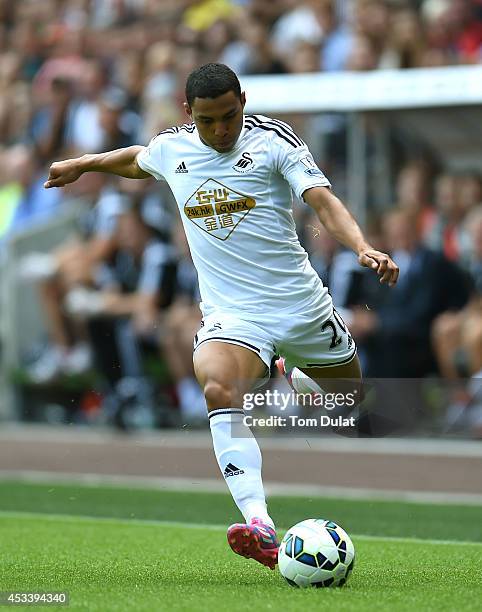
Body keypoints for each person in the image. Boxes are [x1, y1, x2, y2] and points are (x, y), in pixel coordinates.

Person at [44, 63, 398, 570]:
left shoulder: (274, 140)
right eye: (208, 121)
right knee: (217, 389)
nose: (220, 131)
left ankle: (293, 373)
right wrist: (84, 163)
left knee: (346, 404)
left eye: (229, 117)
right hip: (234, 316)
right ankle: (259, 522)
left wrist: (363, 246)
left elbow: (322, 201)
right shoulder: (175, 147)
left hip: (300, 307)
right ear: (190, 114)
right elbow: (137, 161)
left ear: (243, 102)